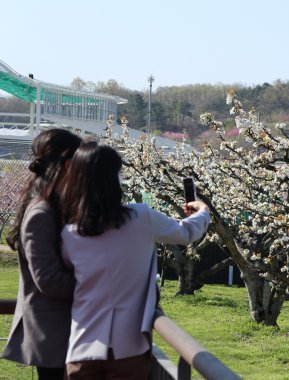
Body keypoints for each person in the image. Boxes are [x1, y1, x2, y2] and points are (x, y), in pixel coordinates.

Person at [59, 141, 210, 379]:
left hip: (82, 345)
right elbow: (186, 233)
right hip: (129, 347)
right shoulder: (141, 217)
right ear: (115, 179)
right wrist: (202, 210)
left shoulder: (70, 233)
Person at [2, 129, 82, 380]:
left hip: (58, 334)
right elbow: (49, 280)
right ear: (68, 164)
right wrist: (101, 285)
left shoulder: (47, 204)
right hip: (53, 335)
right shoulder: (42, 213)